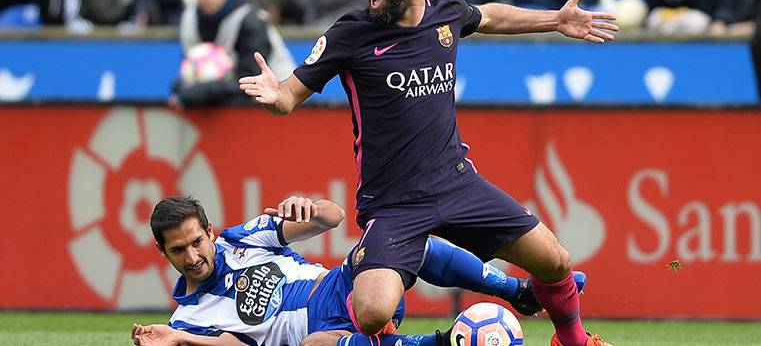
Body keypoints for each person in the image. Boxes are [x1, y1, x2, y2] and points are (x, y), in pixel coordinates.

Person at [239, 0, 617, 346]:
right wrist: (276, 96)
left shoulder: (446, 12)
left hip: (457, 184)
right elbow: (290, 96)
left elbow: (491, 15)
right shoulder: (350, 34)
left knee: (557, 262)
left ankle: (575, 341)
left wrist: (556, 19)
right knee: (371, 314)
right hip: (392, 204)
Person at [131, 195, 587, 345]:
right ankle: (441, 343)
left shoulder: (241, 238)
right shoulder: (185, 320)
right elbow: (233, 344)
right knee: (313, 345)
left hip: (344, 287)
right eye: (178, 251)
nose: (192, 256)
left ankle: (518, 292)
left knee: (396, 238)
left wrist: (307, 207)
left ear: (210, 231)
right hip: (324, 336)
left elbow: (333, 217)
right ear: (163, 253)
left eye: (196, 241)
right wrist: (182, 339)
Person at [171, 0, 294, 108]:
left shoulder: (251, 20)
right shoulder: (189, 18)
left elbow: (252, 80)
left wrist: (203, 91)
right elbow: (190, 68)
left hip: (276, 103)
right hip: (225, 97)